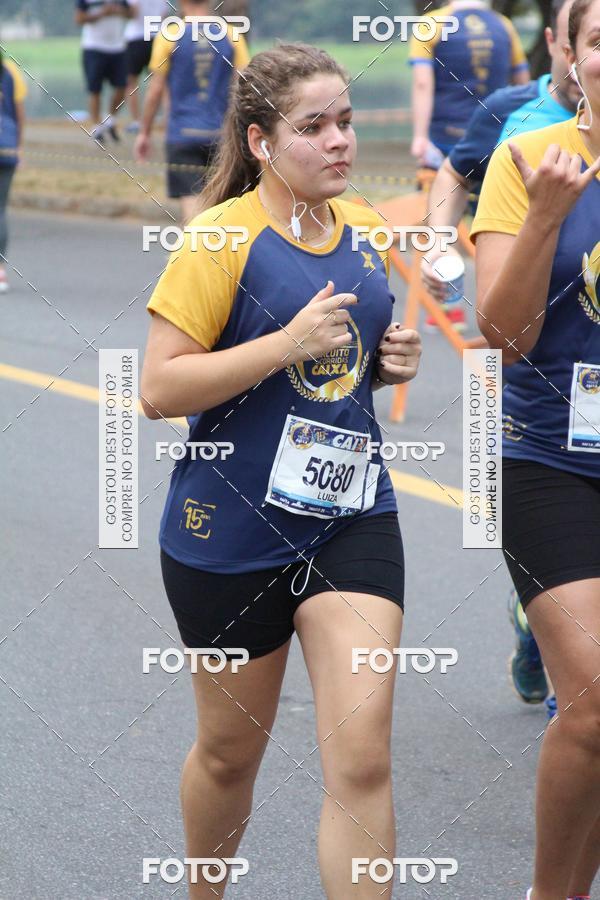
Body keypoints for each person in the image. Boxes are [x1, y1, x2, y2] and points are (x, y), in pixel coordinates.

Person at [141, 43, 422, 899]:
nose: (339, 141)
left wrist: (386, 362)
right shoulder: (220, 241)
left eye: (345, 121)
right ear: (261, 142)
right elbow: (159, 386)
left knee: (364, 754)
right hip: (229, 531)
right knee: (230, 756)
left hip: (351, 517)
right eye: (314, 127)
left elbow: (338, 371)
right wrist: (281, 345)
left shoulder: (367, 229)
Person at [472, 0, 600, 894]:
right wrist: (550, 215)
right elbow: (503, 335)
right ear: (571, 57)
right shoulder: (528, 162)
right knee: (592, 703)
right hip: (550, 459)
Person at [421, 0, 580, 337]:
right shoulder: (504, 109)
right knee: (482, 378)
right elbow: (454, 172)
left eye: (594, 43)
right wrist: (439, 241)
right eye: (571, 42)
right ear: (552, 41)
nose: (579, 59)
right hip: (511, 317)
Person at [134, 0, 250, 224]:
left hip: (182, 133)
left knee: (192, 204)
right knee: (223, 203)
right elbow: (244, 86)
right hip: (222, 136)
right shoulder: (231, 34)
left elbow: (155, 91)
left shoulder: (169, 34)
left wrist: (144, 133)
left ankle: (195, 255)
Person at [409, 0, 530, 169]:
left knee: (440, 193)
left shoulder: (430, 23)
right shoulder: (504, 25)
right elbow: (522, 83)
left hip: (446, 138)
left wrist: (420, 137)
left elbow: (422, 84)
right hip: (494, 137)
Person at [74, 0, 135, 143]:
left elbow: (131, 13)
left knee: (123, 86)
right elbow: (79, 18)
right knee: (95, 89)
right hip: (93, 47)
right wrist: (102, 13)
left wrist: (117, 11)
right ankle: (97, 127)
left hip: (117, 47)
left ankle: (110, 120)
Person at [0, 49, 27, 294]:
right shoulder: (10, 71)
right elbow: (19, 114)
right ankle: (0, 270)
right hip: (7, 147)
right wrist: (18, 147)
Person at [123, 0, 170, 132]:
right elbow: (164, 14)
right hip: (157, 37)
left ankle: (137, 121)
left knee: (131, 81)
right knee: (161, 80)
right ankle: (167, 118)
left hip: (136, 37)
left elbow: (133, 11)